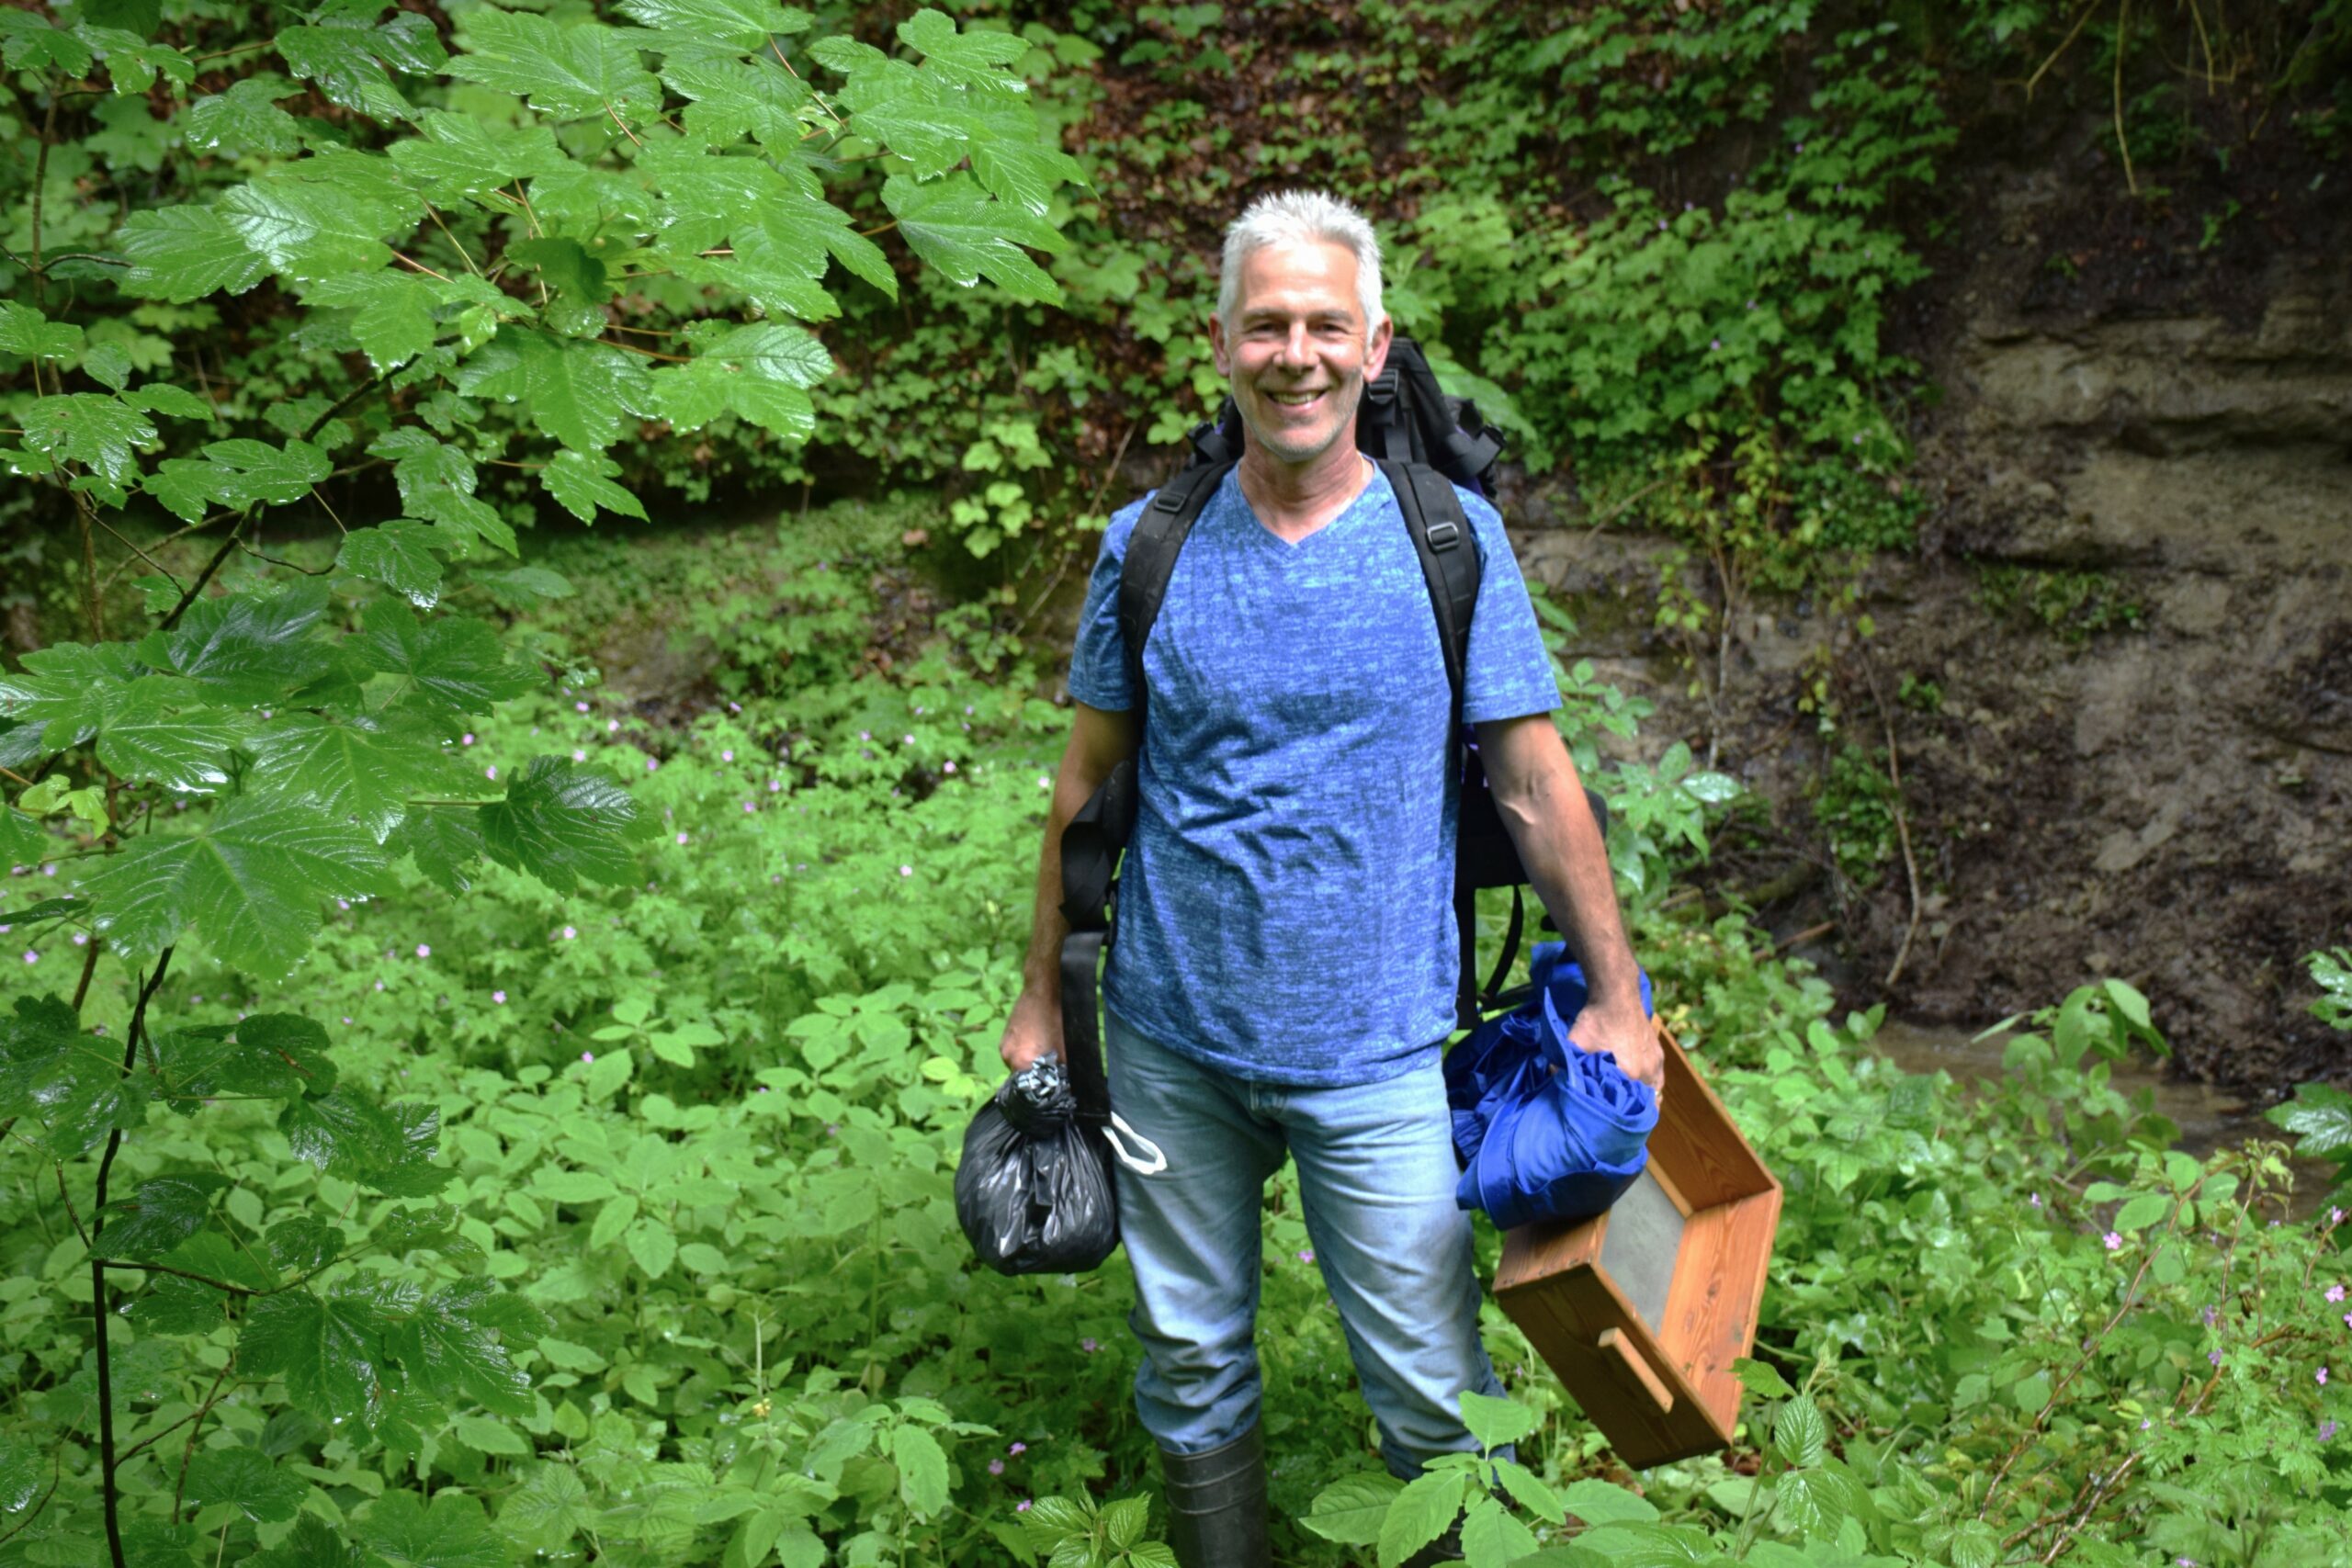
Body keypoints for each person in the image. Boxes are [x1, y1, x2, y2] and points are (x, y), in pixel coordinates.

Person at [997, 188, 1660, 1568]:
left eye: (1322, 325)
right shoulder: (1149, 545)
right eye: (1265, 326)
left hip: (1378, 1055)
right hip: (1171, 1039)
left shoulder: (1452, 542)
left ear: (1373, 346)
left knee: (1431, 1390)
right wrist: (1044, 1007)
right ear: (1223, 345)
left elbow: (1537, 787)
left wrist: (1622, 995)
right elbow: (1083, 793)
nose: (1293, 352)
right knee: (1188, 1361)